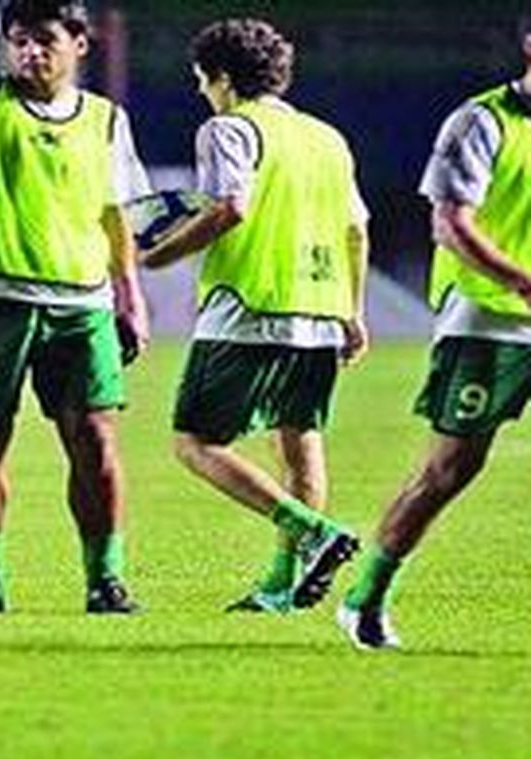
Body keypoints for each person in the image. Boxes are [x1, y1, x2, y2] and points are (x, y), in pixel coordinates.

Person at [0, 0, 152, 614]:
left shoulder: (105, 120)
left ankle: (106, 581)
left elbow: (114, 211)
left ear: (79, 44)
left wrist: (131, 297)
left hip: (81, 304)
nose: (29, 52)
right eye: (18, 40)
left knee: (95, 441)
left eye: (44, 39)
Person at [140, 18, 370, 613]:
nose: (201, 92)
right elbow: (356, 230)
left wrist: (159, 254)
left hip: (249, 306)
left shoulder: (228, 128)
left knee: (195, 443)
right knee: (299, 442)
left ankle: (317, 533)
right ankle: (279, 589)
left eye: (202, 80)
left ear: (222, 77)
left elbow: (229, 208)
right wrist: (351, 311)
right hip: (319, 308)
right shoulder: (327, 139)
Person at [335, 16, 531, 649]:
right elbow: (450, 224)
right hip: (489, 320)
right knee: (450, 470)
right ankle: (366, 597)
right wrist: (522, 282)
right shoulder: (480, 122)